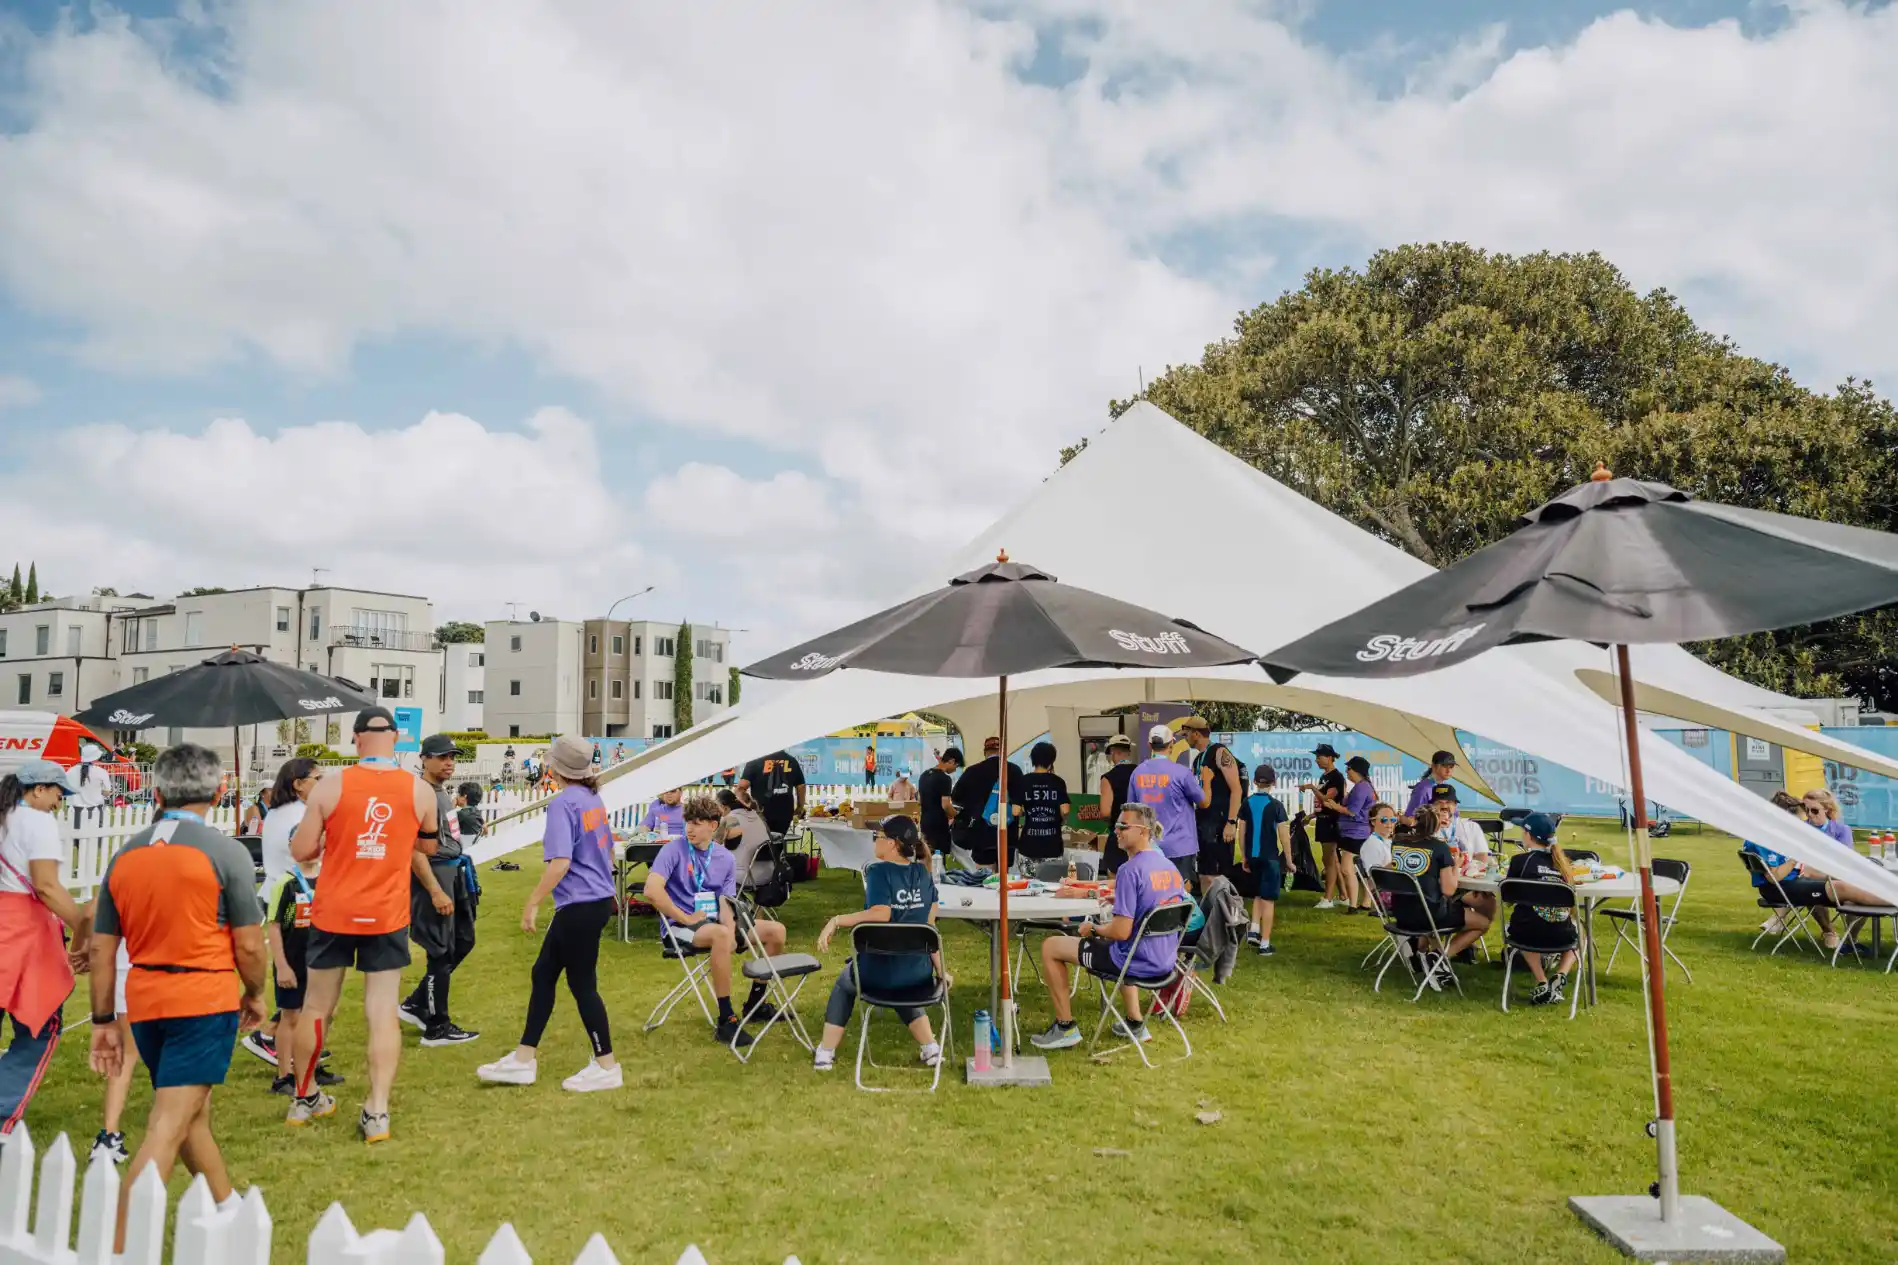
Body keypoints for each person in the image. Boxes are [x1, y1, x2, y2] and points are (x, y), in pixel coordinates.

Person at [86, 744, 266, 1245]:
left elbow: (102, 950)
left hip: (144, 998)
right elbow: (249, 944)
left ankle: (227, 1206)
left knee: (190, 1113)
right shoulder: (225, 850)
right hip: (203, 996)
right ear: (221, 790)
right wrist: (255, 992)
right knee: (167, 1125)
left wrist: (102, 1019)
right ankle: (117, 1246)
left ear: (157, 791)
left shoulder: (126, 853)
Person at [285, 706, 438, 1144]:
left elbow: (300, 851)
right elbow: (427, 842)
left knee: (317, 1007)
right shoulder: (418, 790)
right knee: (381, 1010)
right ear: (395, 737)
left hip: (334, 910)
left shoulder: (330, 787)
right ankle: (377, 1110)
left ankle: (304, 1095)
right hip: (386, 912)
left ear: (356, 739)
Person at [477, 737, 622, 1091]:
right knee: (543, 973)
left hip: (580, 904)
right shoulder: (591, 798)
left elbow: (560, 862)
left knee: (582, 984)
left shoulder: (563, 804)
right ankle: (524, 1059)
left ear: (554, 768)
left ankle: (606, 1065)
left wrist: (533, 901)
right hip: (594, 900)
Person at [1031, 803, 1187, 1050]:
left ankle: (1065, 1027)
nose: (1117, 831)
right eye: (1116, 826)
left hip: (1132, 962)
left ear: (1144, 831)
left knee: (1051, 946)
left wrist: (1092, 929)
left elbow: (1120, 932)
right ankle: (1135, 1023)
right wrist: (1124, 902)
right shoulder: (1168, 867)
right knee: (1125, 942)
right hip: (1165, 962)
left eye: (1124, 826)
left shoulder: (1129, 870)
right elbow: (1161, 908)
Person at [641, 795, 789, 1047]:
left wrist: (731, 930)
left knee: (776, 931)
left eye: (697, 823)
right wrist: (685, 917)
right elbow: (651, 891)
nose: (690, 828)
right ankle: (726, 1019)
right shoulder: (672, 850)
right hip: (680, 927)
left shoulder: (725, 858)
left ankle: (756, 1003)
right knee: (721, 936)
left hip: (715, 922)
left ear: (713, 825)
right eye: (688, 821)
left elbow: (726, 902)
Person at [0, 762, 90, 1141]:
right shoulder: (38, 824)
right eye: (58, 793)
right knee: (42, 1026)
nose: (59, 802)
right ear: (38, 790)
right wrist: (83, 927)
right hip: (22, 931)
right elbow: (47, 886)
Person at [810, 816, 943, 1071]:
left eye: (878, 836)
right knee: (900, 980)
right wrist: (940, 970)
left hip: (876, 975)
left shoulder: (878, 871)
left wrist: (837, 920)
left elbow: (881, 913)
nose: (874, 840)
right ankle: (931, 1048)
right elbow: (930, 930)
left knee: (844, 983)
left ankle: (825, 1052)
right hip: (917, 975)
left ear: (892, 844)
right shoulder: (924, 875)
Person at [239, 757, 323, 1070]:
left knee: (304, 985)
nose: (321, 783)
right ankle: (276, 1039)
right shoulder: (300, 815)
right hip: (294, 899)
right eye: (316, 778)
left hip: (283, 893)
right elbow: (310, 851)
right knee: (304, 983)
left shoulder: (277, 811)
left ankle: (291, 1043)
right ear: (298, 783)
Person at [399, 735, 480, 1047]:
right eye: (442, 757)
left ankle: (417, 1003)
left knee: (463, 940)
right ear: (424, 759)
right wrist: (434, 890)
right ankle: (437, 1026)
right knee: (440, 949)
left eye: (452, 757)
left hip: (452, 870)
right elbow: (412, 848)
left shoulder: (439, 792)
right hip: (432, 874)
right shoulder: (419, 794)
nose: (449, 762)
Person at [1387, 800, 1490, 975]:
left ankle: (1420, 954)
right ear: (1436, 827)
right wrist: (1455, 867)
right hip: (1429, 916)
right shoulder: (1439, 848)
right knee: (1483, 923)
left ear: (1415, 822)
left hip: (1401, 912)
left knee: (1433, 908)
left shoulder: (1398, 843)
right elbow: (1449, 890)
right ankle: (1439, 957)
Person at [1504, 812, 1580, 1005]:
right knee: (1580, 937)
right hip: (1562, 936)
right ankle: (1560, 973)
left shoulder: (1520, 861)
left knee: (1525, 922)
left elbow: (1508, 897)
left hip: (1527, 934)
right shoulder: (1563, 866)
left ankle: (1542, 981)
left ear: (1528, 836)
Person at [1127, 725, 1205, 888]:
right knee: (1182, 893)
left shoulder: (1137, 773)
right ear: (1172, 744)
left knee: (1151, 891)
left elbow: (1131, 812)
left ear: (1149, 745)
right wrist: (1209, 782)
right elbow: (1203, 802)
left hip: (1148, 846)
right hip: (1180, 846)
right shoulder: (1182, 773)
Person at [1181, 716, 1244, 893]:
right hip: (1203, 822)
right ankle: (1207, 915)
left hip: (1220, 822)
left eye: (1186, 734)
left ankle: (1221, 915)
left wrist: (1231, 822)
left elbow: (1236, 789)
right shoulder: (1198, 759)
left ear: (1195, 734)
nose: (1185, 739)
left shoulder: (1219, 752)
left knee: (1217, 876)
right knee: (1204, 873)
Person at [1237, 766, 1290, 955]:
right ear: (1274, 783)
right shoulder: (1276, 805)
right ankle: (1265, 944)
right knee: (1268, 900)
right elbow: (1284, 835)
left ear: (1254, 782)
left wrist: (1244, 856)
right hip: (1270, 858)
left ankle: (1253, 929)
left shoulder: (1247, 803)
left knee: (1259, 893)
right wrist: (1289, 860)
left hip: (1253, 856)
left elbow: (1241, 832)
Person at [949, 736, 1023, 869]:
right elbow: (1021, 803)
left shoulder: (972, 772)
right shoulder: (1015, 771)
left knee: (985, 879)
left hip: (981, 835)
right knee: (1005, 878)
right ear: (1003, 751)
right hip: (1008, 835)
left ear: (985, 752)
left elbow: (956, 798)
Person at [1430, 784, 1496, 930]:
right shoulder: (1427, 828)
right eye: (1439, 803)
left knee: (1488, 902)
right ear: (1432, 806)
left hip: (1465, 883)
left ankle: (1468, 942)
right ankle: (1464, 942)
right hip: (1437, 886)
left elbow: (1482, 856)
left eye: (1448, 802)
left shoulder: (1470, 827)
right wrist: (1435, 827)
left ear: (1455, 805)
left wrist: (1471, 870)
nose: (1444, 806)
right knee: (1483, 906)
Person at [1299, 743, 1347, 909]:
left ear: (1330, 758)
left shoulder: (1336, 777)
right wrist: (1311, 816)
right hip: (1322, 820)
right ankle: (1343, 895)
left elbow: (1327, 799)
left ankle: (1327, 898)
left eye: (1319, 757)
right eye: (1316, 757)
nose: (1317, 760)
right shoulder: (1324, 777)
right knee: (1332, 860)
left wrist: (1312, 787)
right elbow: (1322, 804)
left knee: (1329, 861)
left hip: (1331, 822)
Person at [1015, 741, 1071, 866]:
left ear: (1033, 760)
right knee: (1051, 882)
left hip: (1028, 845)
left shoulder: (1023, 781)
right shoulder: (1058, 782)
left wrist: (1026, 810)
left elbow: (1016, 811)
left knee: (1028, 883)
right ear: (1052, 760)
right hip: (1052, 845)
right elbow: (1065, 810)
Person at [1335, 756, 1377, 911]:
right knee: (1363, 870)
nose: (1346, 771)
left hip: (1355, 833)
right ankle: (1365, 902)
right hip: (1358, 832)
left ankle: (1352, 905)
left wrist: (1335, 806)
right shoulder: (1364, 786)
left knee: (1347, 869)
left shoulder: (1361, 788)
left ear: (1357, 770)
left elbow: (1352, 812)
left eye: (1349, 768)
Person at [1092, 734, 1138, 874]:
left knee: (1115, 884)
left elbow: (1105, 812)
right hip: (1140, 835)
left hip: (1119, 837)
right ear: (1129, 752)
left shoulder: (1108, 778)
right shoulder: (1141, 772)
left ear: (1112, 753)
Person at [738, 749, 807, 837]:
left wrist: (748, 805)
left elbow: (741, 788)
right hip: (785, 812)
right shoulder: (791, 760)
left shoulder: (755, 760)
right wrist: (800, 807)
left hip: (761, 811)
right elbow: (801, 786)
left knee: (762, 843)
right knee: (778, 842)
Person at [916, 748, 961, 860]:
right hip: (938, 824)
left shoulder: (924, 775)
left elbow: (919, 799)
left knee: (926, 854)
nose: (955, 770)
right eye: (956, 766)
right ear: (951, 761)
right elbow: (945, 805)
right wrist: (956, 814)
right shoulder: (945, 779)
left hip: (925, 821)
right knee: (938, 858)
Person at [1402, 750, 1460, 827]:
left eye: (1451, 767)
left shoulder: (1446, 788)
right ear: (1433, 766)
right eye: (1444, 766)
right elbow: (1410, 819)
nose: (1448, 770)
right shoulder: (1423, 789)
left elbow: (1455, 816)